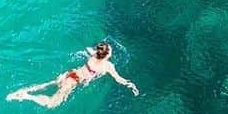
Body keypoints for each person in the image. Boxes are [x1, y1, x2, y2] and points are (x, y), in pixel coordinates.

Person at [7, 42, 138, 109]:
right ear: (107, 55)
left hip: (70, 73)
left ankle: (24, 91)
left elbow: (88, 49)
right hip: (74, 81)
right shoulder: (107, 66)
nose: (111, 51)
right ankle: (27, 96)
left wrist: (91, 50)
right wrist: (131, 85)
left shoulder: (93, 55)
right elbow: (118, 79)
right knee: (52, 104)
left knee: (49, 84)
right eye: (110, 50)